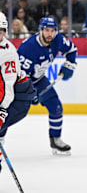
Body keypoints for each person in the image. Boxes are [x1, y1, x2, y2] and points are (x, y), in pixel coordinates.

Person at [17, 17, 77, 155]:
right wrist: (29, 93)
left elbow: (72, 50)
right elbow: (20, 77)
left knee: (56, 106)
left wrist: (69, 65)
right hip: (20, 85)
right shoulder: (29, 48)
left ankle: (55, 140)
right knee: (11, 113)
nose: (49, 34)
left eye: (52, 30)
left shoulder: (58, 40)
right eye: (46, 30)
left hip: (39, 80)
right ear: (41, 30)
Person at [0, 12, 36, 172]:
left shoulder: (7, 53)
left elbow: (8, 90)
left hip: (18, 100)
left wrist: (1, 112)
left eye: (1, 30)